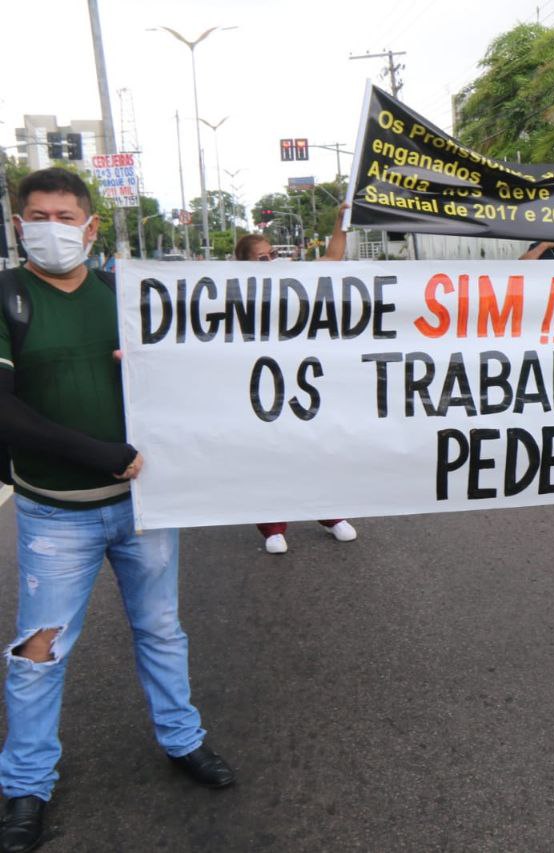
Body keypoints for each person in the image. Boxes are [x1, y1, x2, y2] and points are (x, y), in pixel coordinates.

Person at [0, 168, 235, 853]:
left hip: (147, 504)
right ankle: (25, 785)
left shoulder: (124, 296)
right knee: (38, 653)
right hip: (55, 514)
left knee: (162, 630)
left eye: (66, 215)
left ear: (92, 226)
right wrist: (96, 452)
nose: (52, 227)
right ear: (19, 225)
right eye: (38, 214)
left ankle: (182, 740)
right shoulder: (9, 296)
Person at [233, 205, 358, 555]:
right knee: (271, 453)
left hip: (305, 380)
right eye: (262, 258)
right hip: (263, 385)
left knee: (316, 447)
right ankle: (273, 526)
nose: (272, 260)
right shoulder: (235, 293)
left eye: (272, 253)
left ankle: (329, 514)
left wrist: (339, 222)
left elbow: (333, 256)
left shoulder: (296, 276)